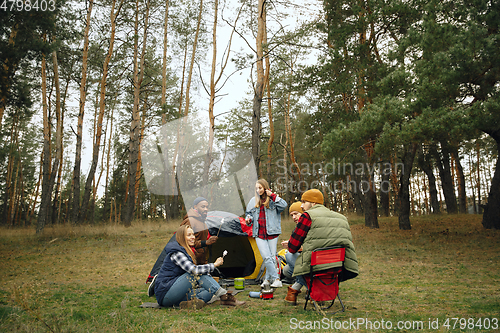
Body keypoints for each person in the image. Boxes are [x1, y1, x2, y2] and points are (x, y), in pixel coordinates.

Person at [285, 189, 358, 305]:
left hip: (316, 266)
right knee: (287, 269)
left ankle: (308, 290)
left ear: (313, 203)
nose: (302, 206)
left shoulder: (307, 216)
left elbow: (292, 247)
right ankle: (300, 289)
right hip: (337, 266)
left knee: (288, 255)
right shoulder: (342, 218)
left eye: (304, 202)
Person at [154, 225, 245, 308]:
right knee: (194, 273)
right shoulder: (177, 252)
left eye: (193, 234)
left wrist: (210, 282)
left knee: (209, 292)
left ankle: (187, 303)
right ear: (182, 237)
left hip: (176, 292)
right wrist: (214, 265)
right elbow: (194, 270)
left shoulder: (187, 251)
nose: (193, 237)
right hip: (165, 294)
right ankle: (225, 297)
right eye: (189, 235)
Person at [245, 179, 287, 288]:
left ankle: (267, 280)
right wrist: (248, 219)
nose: (258, 190)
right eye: (256, 188)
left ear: (265, 187)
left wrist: (272, 195)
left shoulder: (273, 200)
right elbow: (248, 214)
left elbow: (284, 205)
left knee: (272, 257)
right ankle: (276, 279)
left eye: (260, 188)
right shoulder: (253, 201)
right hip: (259, 233)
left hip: (272, 232)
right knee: (266, 257)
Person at [181, 197, 218, 264]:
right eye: (203, 207)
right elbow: (184, 242)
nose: (206, 209)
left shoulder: (202, 221)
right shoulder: (190, 221)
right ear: (195, 207)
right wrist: (205, 242)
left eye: (207, 207)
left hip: (201, 260)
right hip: (191, 261)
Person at [280, 202, 304, 304]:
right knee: (286, 270)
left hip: (310, 259)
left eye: (296, 214)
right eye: (292, 215)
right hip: (301, 259)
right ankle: (302, 284)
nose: (294, 217)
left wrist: (299, 248)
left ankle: (298, 287)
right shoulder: (296, 229)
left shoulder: (309, 226)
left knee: (289, 255)